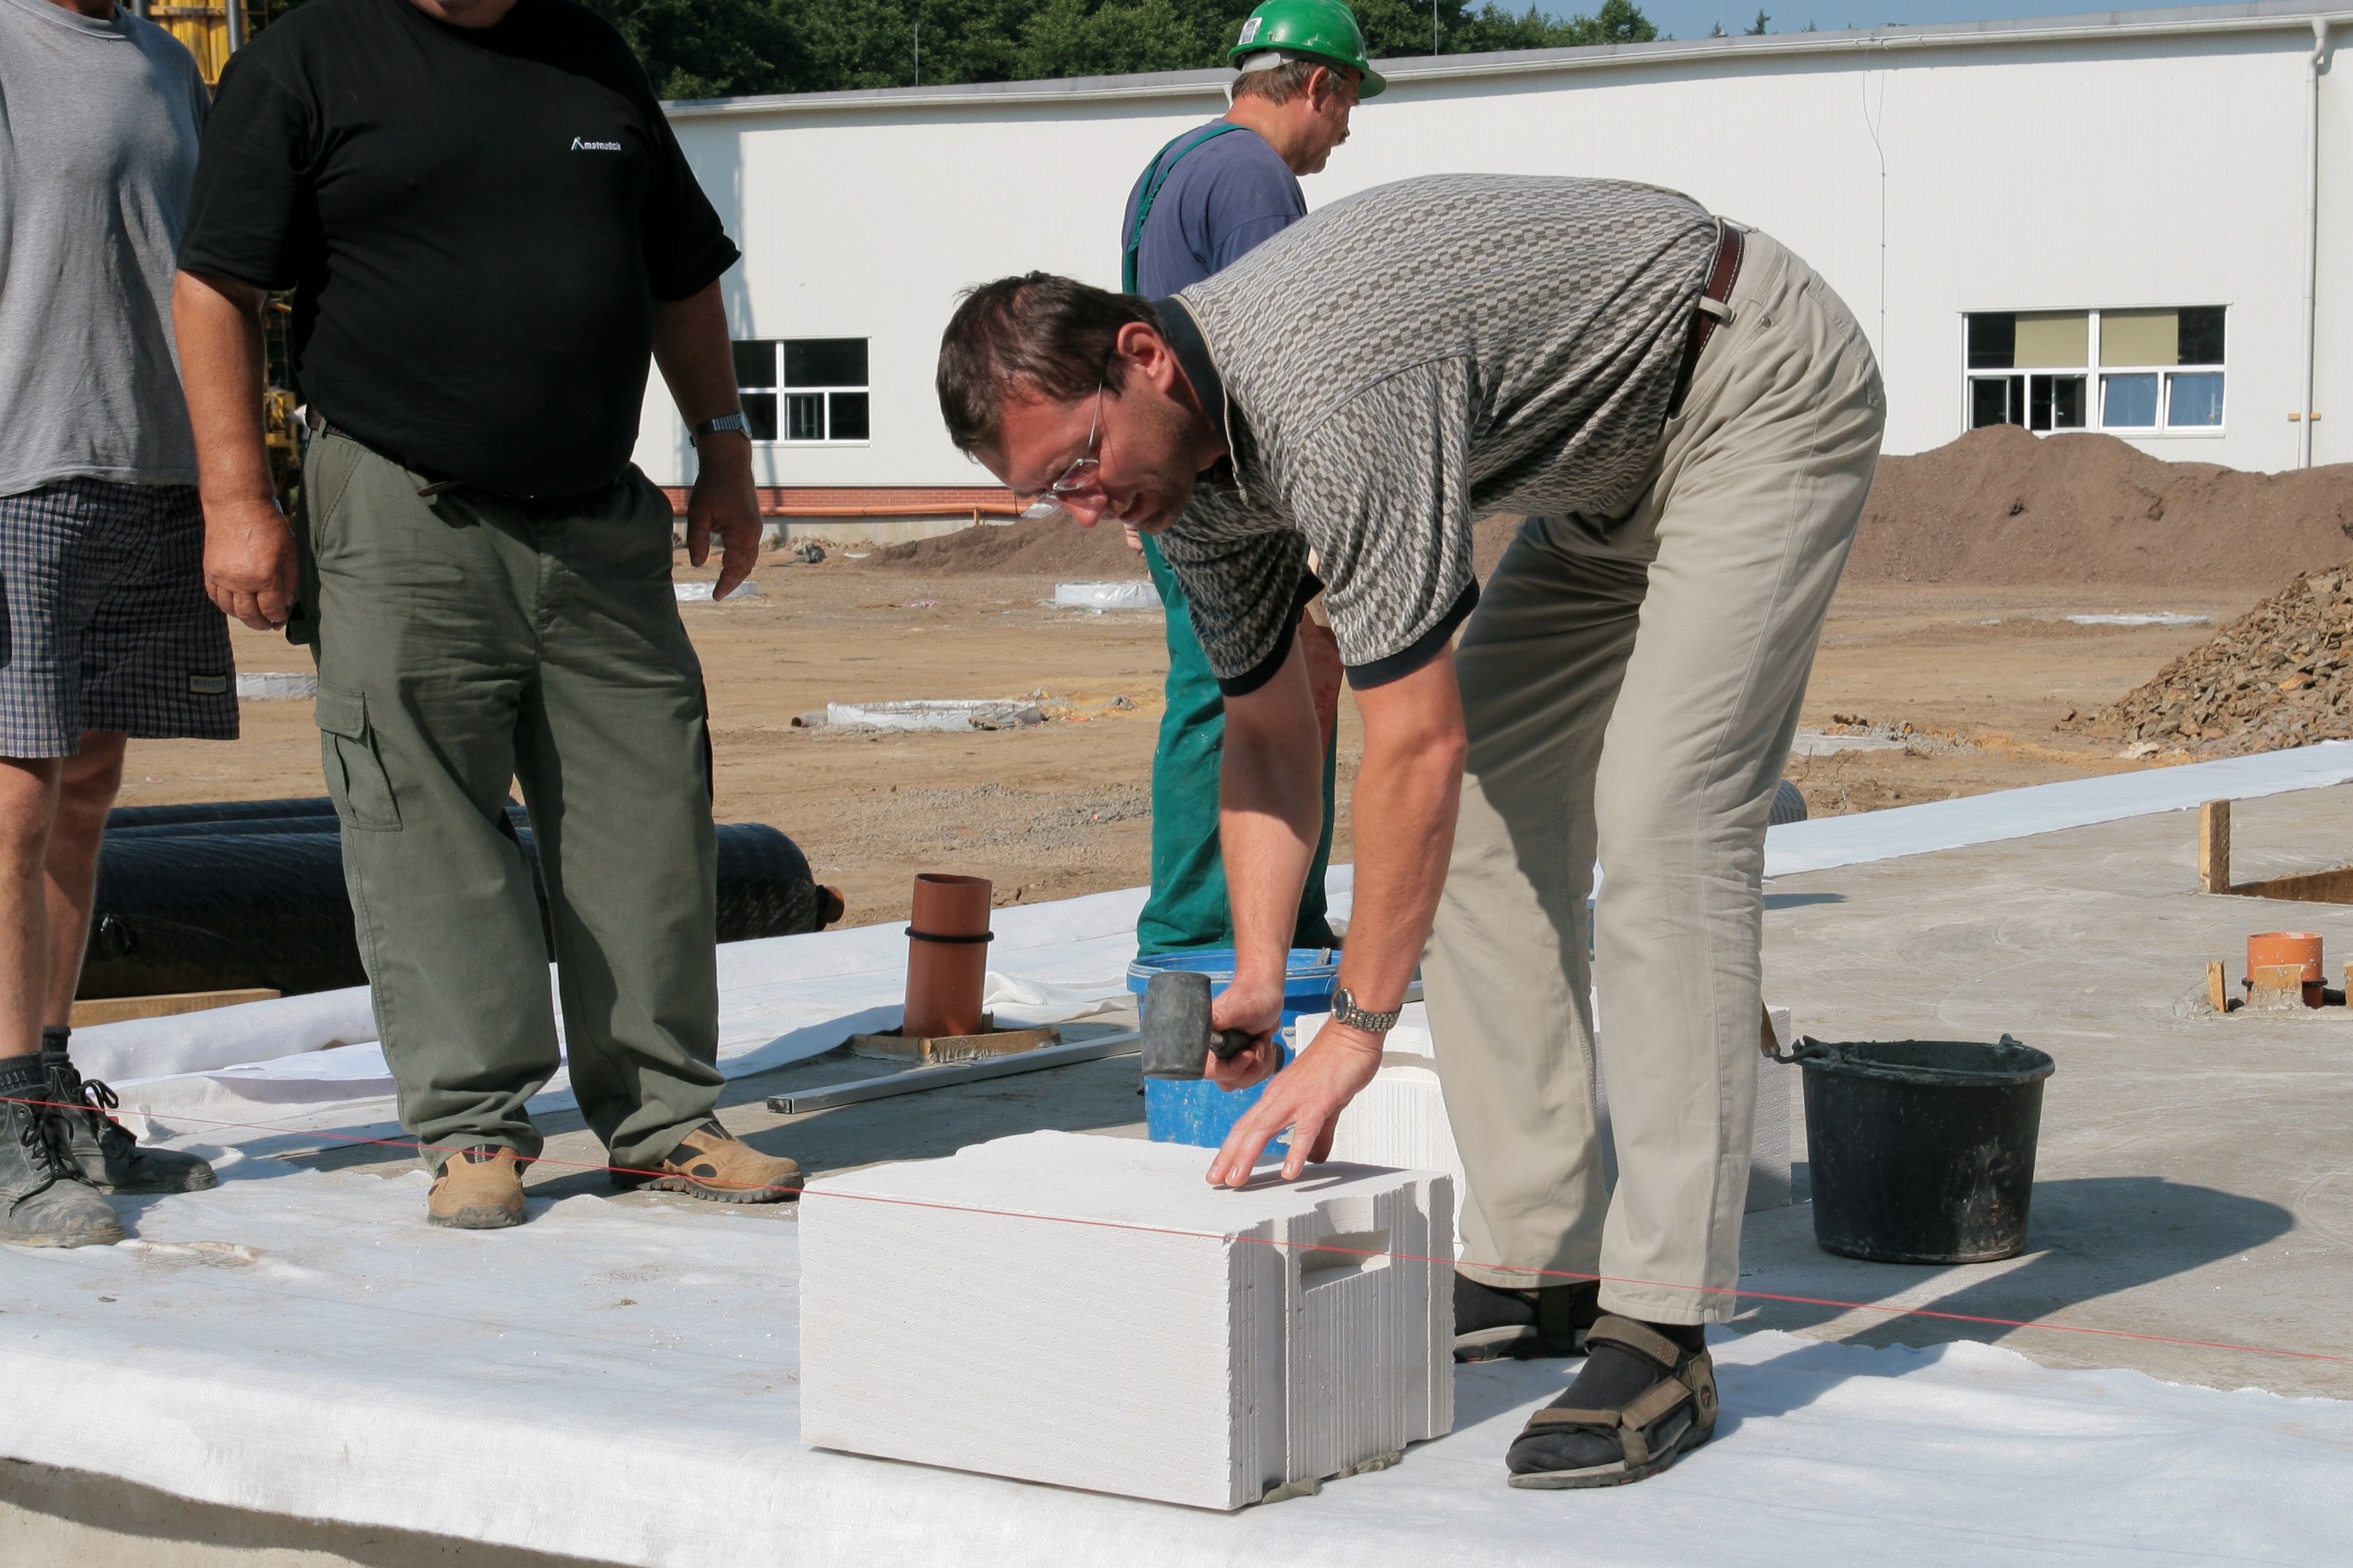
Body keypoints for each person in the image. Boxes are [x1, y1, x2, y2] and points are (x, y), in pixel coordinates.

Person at [936, 175, 1883, 1488]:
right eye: (1050, 495)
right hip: (1603, 478)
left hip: (1748, 386)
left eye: (1080, 467)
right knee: (1496, 815)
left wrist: (1358, 1032)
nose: (1084, 508)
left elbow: (1412, 740)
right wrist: (1262, 981)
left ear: (1143, 357)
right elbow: (1270, 732)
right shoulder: (1184, 487)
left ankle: (1664, 1318)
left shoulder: (1321, 395)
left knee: (1666, 819)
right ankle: (1544, 1259)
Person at [174, 0, 801, 1230]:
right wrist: (237, 497)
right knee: (427, 828)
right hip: (405, 508)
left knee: (650, 815)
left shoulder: (587, 52)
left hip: (599, 521)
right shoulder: (309, 57)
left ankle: (664, 1117)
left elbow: (678, 273)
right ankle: (474, 1129)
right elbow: (216, 284)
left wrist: (724, 445)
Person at [0, 0, 230, 1248]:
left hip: (149, 468)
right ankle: (2, 1124)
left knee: (84, 797)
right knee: (12, 803)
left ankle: (51, 1092)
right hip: (16, 469)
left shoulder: (161, 61)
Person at [1116, 0, 1374, 959]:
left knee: (1224, 691)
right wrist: (1321, 522)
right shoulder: (1255, 177)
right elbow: (1281, 361)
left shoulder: (1178, 163)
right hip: (1232, 500)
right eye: (1347, 105)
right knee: (1265, 694)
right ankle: (1209, 934)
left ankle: (1233, 925)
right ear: (1318, 85)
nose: (1345, 129)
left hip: (1178, 484)